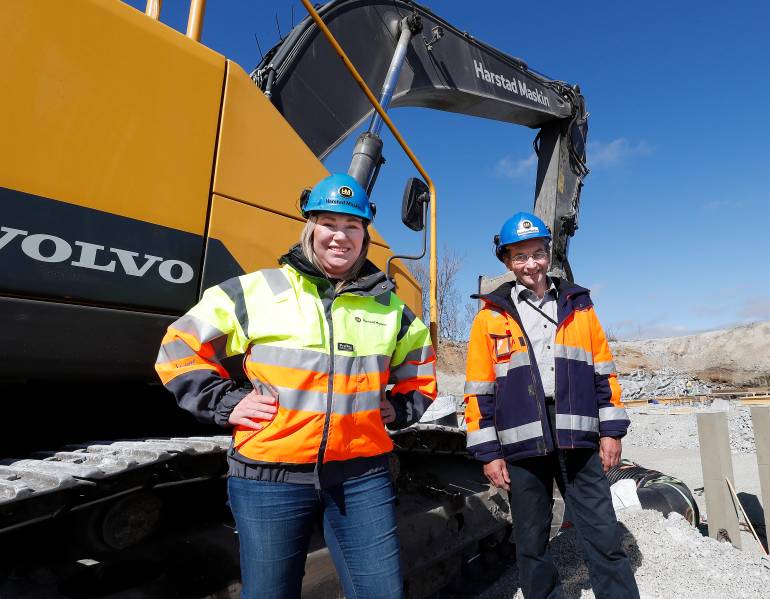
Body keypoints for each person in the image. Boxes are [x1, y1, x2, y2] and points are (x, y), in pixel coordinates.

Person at [155, 173, 436, 599]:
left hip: (362, 475)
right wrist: (225, 401)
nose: (339, 237)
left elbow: (421, 366)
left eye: (352, 227)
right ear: (310, 226)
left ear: (364, 236)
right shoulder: (258, 291)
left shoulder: (389, 307)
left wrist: (402, 407)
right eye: (329, 223)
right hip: (269, 477)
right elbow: (178, 346)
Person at [463, 211, 639, 599]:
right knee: (530, 540)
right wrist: (488, 454)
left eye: (538, 254)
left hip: (577, 435)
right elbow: (479, 391)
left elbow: (604, 373)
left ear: (549, 255)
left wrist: (611, 431)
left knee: (602, 532)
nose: (531, 264)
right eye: (520, 256)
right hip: (522, 442)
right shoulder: (490, 318)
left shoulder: (579, 306)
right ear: (507, 262)